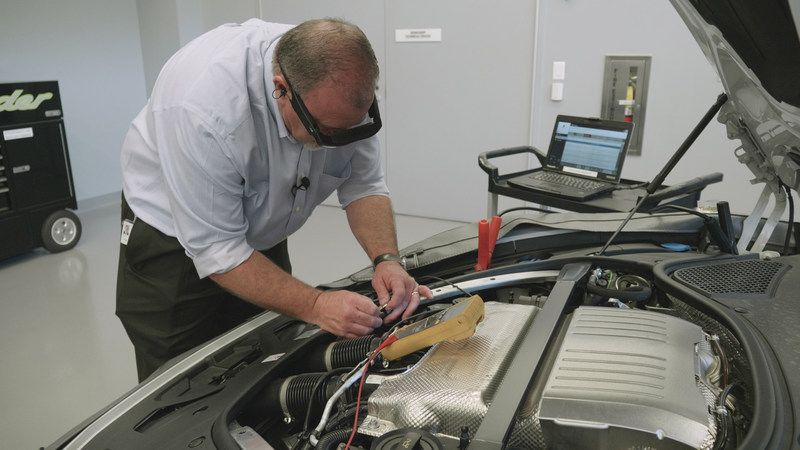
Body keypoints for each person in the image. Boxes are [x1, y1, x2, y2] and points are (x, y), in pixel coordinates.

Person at [116, 17, 432, 382]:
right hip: (172, 247)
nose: (338, 140)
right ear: (280, 89)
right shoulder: (205, 110)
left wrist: (387, 260)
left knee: (263, 358)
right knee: (182, 385)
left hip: (256, 236)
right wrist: (315, 304)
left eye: (350, 130)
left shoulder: (337, 90)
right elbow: (218, 249)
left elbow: (364, 185)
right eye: (326, 131)